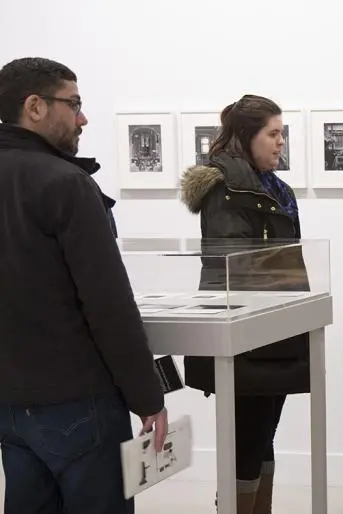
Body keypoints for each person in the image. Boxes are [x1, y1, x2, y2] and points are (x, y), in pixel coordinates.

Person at [0, 57, 168, 514]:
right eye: (73, 104)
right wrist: (147, 397)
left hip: (12, 406)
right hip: (78, 401)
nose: (83, 117)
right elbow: (107, 303)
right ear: (34, 107)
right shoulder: (66, 184)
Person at [179, 94, 310, 514]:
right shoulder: (227, 189)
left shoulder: (273, 188)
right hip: (246, 336)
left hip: (275, 330)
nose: (280, 143)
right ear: (247, 135)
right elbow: (233, 267)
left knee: (262, 434)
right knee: (248, 438)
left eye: (282, 134)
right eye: (272, 134)